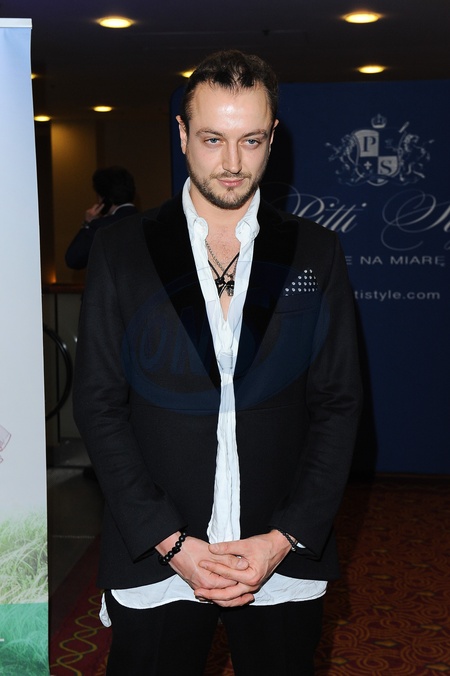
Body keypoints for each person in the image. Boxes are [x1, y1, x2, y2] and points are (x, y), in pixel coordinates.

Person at [73, 50, 362, 675]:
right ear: (181, 134)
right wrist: (169, 540)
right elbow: (98, 402)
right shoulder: (122, 249)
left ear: (272, 137)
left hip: (280, 554)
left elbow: (338, 404)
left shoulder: (315, 250)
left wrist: (284, 537)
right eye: (212, 139)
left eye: (250, 140)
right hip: (157, 550)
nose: (232, 163)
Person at [65, 165, 138, 269]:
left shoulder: (102, 227)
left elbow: (73, 259)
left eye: (98, 197)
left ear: (106, 199)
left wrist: (87, 224)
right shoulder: (148, 220)